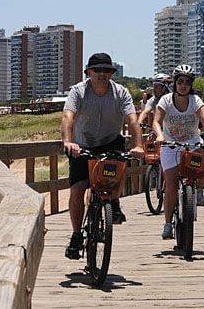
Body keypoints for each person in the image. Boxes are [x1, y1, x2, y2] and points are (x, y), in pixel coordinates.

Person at [61, 52, 144, 260]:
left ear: (111, 73)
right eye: (97, 70)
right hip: (82, 145)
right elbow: (67, 117)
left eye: (106, 70)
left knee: (116, 172)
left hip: (110, 142)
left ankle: (113, 204)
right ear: (88, 72)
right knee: (78, 189)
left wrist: (138, 146)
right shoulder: (78, 92)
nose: (101, 74)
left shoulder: (120, 92)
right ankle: (76, 234)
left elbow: (133, 121)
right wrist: (68, 142)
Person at [152, 64, 204, 239]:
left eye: (187, 82)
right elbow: (156, 122)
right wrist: (159, 136)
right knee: (172, 184)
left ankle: (200, 189)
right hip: (170, 145)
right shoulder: (166, 100)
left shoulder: (195, 101)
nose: (183, 85)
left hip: (192, 144)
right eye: (180, 81)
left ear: (191, 85)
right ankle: (167, 224)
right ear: (175, 83)